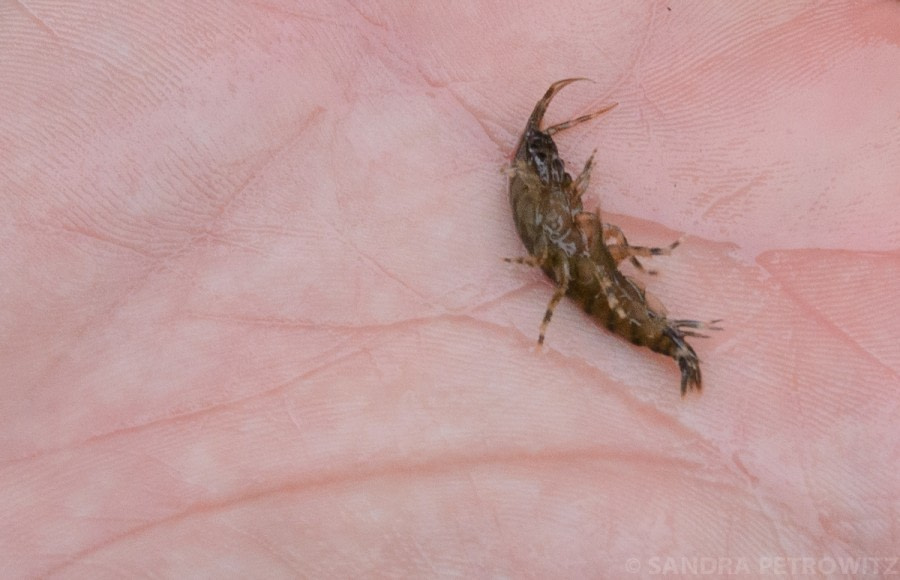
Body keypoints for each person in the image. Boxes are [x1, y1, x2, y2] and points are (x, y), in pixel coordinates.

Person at [2, 2, 898, 576]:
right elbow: (574, 229)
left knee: (614, 277)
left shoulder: (552, 218)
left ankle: (671, 340)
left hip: (586, 272)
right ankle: (672, 342)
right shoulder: (555, 219)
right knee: (615, 278)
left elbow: (572, 229)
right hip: (588, 272)